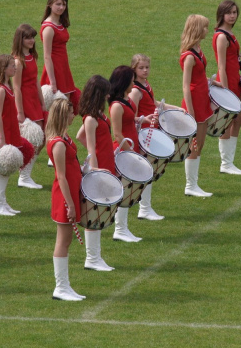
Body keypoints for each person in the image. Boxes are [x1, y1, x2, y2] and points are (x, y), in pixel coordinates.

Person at [129, 53, 183, 220]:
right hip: (145, 136)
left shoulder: (145, 85)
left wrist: (175, 108)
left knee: (149, 172)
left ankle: (146, 207)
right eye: (141, 68)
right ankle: (144, 209)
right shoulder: (135, 91)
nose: (145, 70)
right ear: (134, 69)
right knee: (147, 172)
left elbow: (154, 104)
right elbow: (131, 116)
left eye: (147, 67)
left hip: (151, 133)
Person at [212, 0, 241, 176]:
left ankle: (228, 161)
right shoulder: (222, 36)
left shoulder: (229, 34)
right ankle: (226, 163)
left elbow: (233, 60)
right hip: (229, 82)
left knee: (237, 120)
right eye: (229, 13)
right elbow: (222, 65)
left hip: (235, 79)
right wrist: (225, 88)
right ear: (221, 14)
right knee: (230, 120)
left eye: (234, 12)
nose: (232, 16)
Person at [46, 98, 85, 301]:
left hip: (70, 194)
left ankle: (65, 285)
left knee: (67, 240)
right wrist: (69, 203)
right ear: (62, 115)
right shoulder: (58, 144)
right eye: (70, 112)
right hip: (64, 197)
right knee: (63, 241)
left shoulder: (65, 138)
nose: (73, 115)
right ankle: (60, 287)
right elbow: (61, 176)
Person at [76, 75, 115, 271]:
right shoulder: (91, 119)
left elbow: (78, 135)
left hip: (106, 163)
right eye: (105, 92)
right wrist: (97, 170)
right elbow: (89, 146)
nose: (109, 95)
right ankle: (92, 258)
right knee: (95, 214)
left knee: (99, 213)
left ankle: (96, 257)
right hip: (100, 167)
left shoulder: (97, 114)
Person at [109, 65, 152, 242]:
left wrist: (140, 119)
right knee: (124, 190)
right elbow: (117, 134)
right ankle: (120, 229)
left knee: (128, 190)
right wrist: (131, 153)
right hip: (124, 152)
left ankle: (123, 228)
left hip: (130, 149)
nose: (134, 83)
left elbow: (128, 119)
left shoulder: (124, 100)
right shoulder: (116, 105)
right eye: (131, 80)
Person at [180, 15, 213, 197]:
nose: (207, 30)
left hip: (202, 99)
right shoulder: (189, 57)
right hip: (194, 103)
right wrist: (190, 112)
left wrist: (210, 82)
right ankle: (190, 185)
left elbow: (198, 78)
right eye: (205, 27)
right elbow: (186, 85)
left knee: (200, 143)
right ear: (197, 29)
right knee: (195, 144)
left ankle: (194, 183)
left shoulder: (198, 49)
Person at [12, 23, 45, 190]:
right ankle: (24, 176)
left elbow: (36, 81)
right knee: (34, 139)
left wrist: (42, 101)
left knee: (40, 139)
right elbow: (16, 87)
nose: (32, 40)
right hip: (25, 102)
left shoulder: (31, 57)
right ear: (20, 39)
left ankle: (25, 174)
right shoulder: (17, 62)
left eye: (33, 37)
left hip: (34, 100)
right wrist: (20, 112)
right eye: (27, 38)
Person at [0, 54, 22, 216]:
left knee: (6, 168)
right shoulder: (1, 89)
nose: (15, 68)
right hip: (3, 132)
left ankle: (2, 201)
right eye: (11, 66)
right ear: (3, 68)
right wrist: (1, 138)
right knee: (2, 167)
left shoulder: (7, 86)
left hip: (10, 129)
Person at [40, 0, 80, 113]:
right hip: (55, 69)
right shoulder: (49, 28)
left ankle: (63, 132)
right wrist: (52, 82)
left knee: (66, 106)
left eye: (63, 4)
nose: (61, 7)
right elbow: (47, 56)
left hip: (63, 68)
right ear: (50, 5)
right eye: (58, 4)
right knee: (60, 108)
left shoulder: (59, 23)